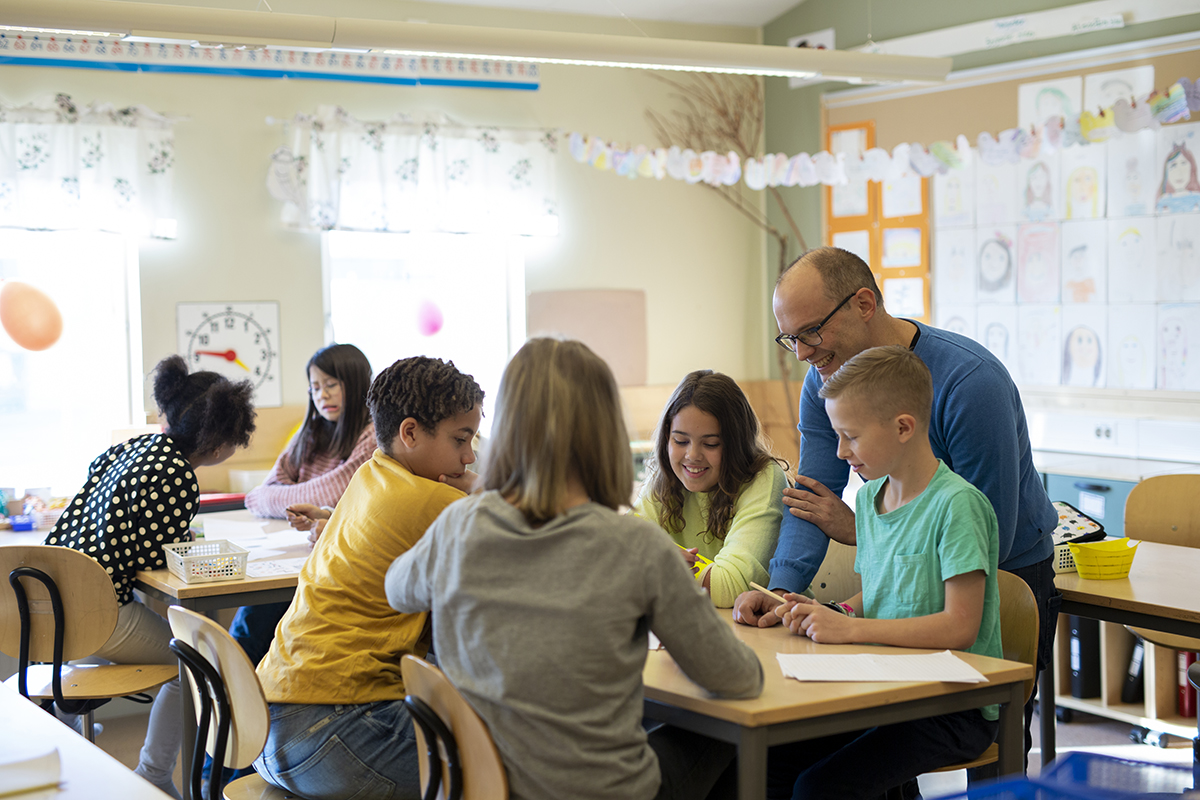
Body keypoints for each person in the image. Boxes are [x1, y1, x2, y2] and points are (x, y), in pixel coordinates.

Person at [387, 338, 763, 800]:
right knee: (721, 734)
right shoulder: (636, 547)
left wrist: (485, 497)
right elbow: (737, 679)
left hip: (481, 787)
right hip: (601, 791)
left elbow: (397, 590)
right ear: (604, 432)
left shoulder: (459, 526)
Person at [735, 246, 1057, 762]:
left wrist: (868, 531)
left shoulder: (971, 384)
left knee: (986, 743)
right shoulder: (826, 382)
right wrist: (782, 591)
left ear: (864, 304)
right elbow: (811, 497)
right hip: (911, 578)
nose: (801, 355)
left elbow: (984, 528)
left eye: (811, 332)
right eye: (790, 338)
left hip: (1005, 573)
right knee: (872, 742)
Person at [766, 345, 1001, 800]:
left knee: (820, 787)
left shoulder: (957, 506)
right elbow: (883, 594)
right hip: (887, 688)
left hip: (952, 706)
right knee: (773, 762)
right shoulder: (869, 502)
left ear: (903, 428)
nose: (839, 451)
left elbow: (960, 627)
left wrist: (849, 631)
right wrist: (829, 612)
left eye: (850, 436)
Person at [252, 355, 483, 800]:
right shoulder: (433, 501)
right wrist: (479, 486)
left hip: (269, 722)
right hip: (334, 730)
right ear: (411, 432)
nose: (469, 456)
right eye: (461, 439)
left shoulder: (371, 473)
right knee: (502, 772)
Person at [45, 355, 256, 799]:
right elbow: (160, 556)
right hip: (93, 611)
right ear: (219, 444)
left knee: (171, 641)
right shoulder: (177, 474)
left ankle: (64, 720)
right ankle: (154, 773)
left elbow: (130, 536)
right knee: (197, 664)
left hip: (50, 603)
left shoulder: (133, 448)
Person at [234, 344, 374, 668]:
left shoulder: (372, 435)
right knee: (250, 620)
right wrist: (300, 502)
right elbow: (258, 495)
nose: (321, 395)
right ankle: (230, 696)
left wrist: (298, 499)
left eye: (331, 384)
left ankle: (233, 696)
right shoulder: (311, 429)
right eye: (314, 387)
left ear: (355, 383)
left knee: (254, 623)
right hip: (292, 555)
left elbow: (336, 489)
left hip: (333, 567)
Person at [633, 369, 788, 608]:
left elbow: (730, 587)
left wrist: (657, 561)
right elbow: (617, 553)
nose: (692, 455)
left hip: (775, 632)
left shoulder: (764, 478)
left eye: (711, 444)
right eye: (680, 441)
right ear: (666, 438)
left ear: (736, 445)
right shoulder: (664, 477)